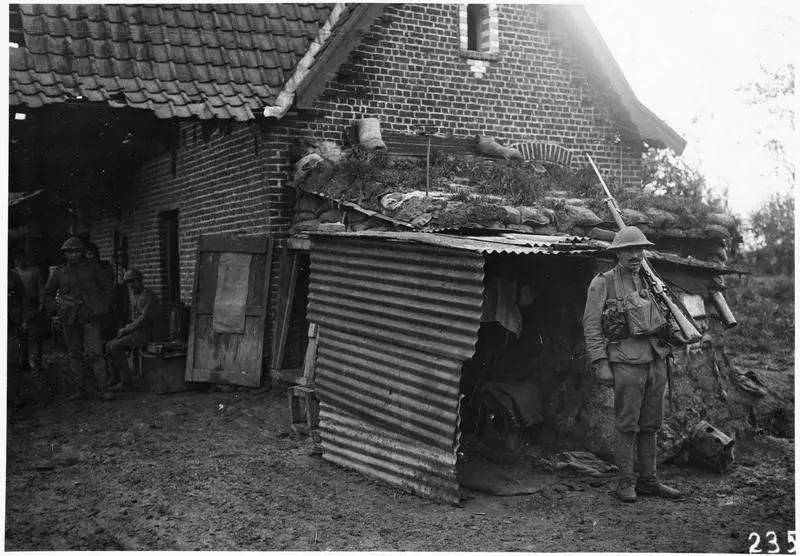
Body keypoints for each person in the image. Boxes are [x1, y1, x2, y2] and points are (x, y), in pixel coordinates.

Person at [582, 226, 683, 503]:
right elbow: (591, 326)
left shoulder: (651, 281)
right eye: (629, 249)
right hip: (626, 360)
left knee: (651, 424)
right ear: (617, 253)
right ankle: (625, 482)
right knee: (627, 424)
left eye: (639, 249)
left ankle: (649, 480)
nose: (635, 254)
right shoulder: (603, 283)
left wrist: (676, 333)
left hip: (655, 359)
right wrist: (600, 361)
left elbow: (664, 315)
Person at [41, 236, 115, 401]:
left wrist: (101, 308)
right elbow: (47, 295)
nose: (73, 255)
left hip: (90, 316)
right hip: (69, 318)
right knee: (75, 354)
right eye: (69, 252)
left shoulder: (94, 268)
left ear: (82, 252)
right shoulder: (59, 273)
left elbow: (107, 290)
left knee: (96, 353)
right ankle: (80, 389)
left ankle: (103, 388)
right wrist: (58, 309)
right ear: (64, 254)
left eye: (76, 251)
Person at [106, 269, 160, 391]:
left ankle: (126, 382)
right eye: (128, 282)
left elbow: (144, 319)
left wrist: (127, 328)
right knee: (108, 345)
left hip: (147, 333)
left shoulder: (148, 296)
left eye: (133, 281)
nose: (130, 285)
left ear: (140, 281)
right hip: (137, 331)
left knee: (115, 347)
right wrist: (126, 328)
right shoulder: (134, 295)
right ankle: (115, 378)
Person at [11, 250, 46, 372]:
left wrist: (41, 303)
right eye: (17, 260)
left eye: (21, 259)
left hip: (33, 304)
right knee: (21, 335)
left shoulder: (35, 271)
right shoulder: (13, 273)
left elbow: (41, 288)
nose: (19, 262)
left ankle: (37, 362)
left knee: (36, 335)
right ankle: (24, 361)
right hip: (18, 305)